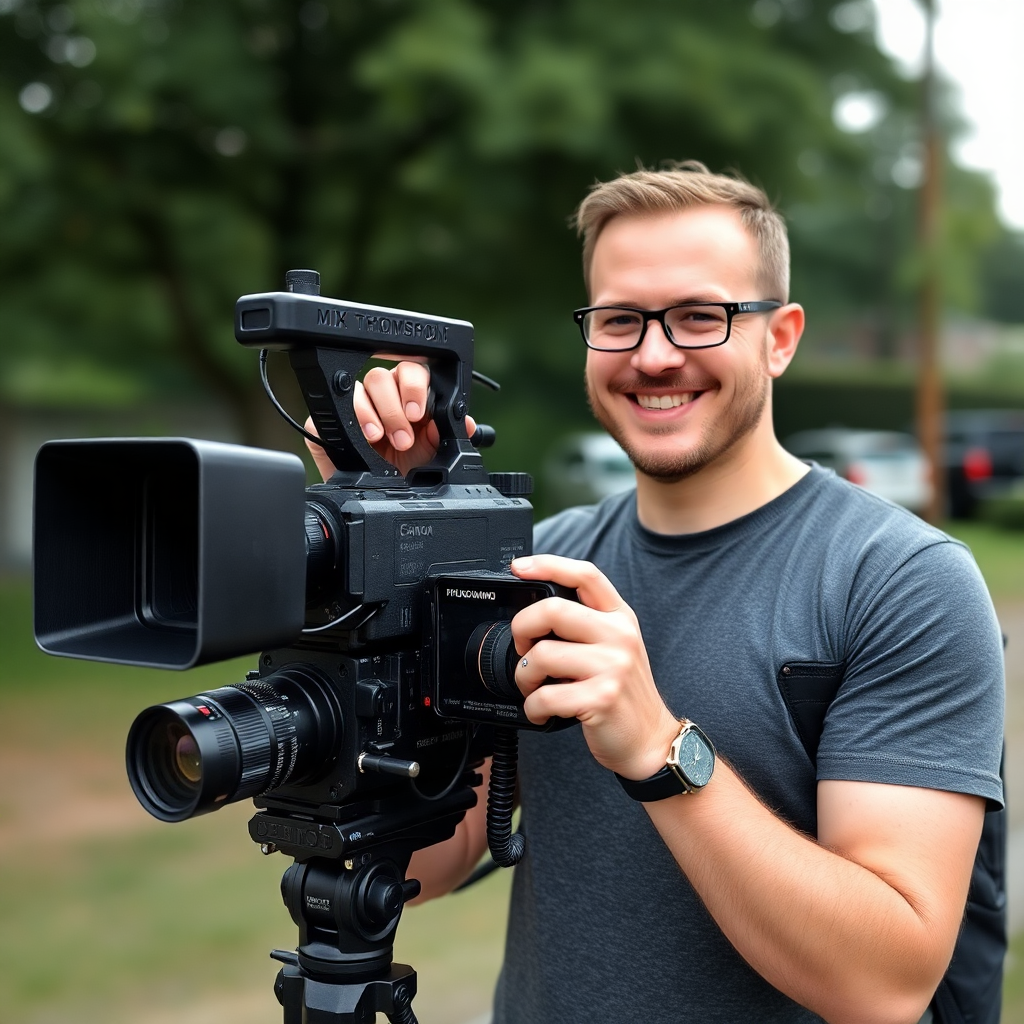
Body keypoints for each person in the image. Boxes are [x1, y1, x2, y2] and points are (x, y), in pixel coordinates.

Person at [307, 161, 1004, 1024]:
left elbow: (885, 984)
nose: (654, 355)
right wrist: (386, 532)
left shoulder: (900, 582)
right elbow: (431, 864)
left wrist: (660, 749)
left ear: (781, 337)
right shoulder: (539, 565)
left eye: (700, 316)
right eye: (620, 320)